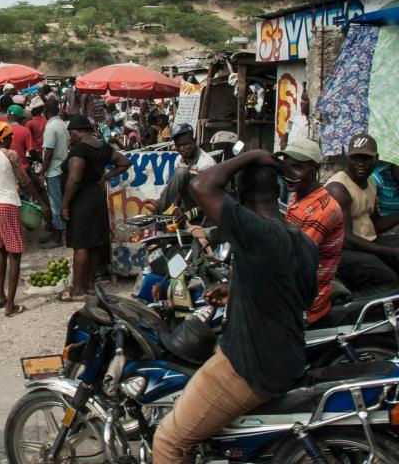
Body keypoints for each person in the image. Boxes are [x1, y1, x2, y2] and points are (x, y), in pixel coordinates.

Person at [153, 150, 318, 463]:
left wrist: (255, 154)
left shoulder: (255, 231)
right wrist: (239, 291)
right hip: (288, 358)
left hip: (249, 365)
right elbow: (299, 297)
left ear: (239, 196)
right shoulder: (301, 239)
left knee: (169, 441)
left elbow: (201, 186)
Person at [0, 122, 49, 317]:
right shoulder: (10, 155)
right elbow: (25, 181)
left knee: (0, 251)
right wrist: (42, 202)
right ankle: (11, 305)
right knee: (15, 255)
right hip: (8, 206)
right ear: (7, 138)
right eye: (10, 137)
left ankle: (0, 296)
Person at [61, 115, 132, 300]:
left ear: (77, 131)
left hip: (82, 200)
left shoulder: (79, 150)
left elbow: (75, 178)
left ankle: (78, 290)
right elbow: (125, 162)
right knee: (94, 244)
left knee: (81, 245)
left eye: (71, 133)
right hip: (98, 198)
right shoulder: (103, 147)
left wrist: (65, 205)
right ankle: (91, 287)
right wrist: (105, 177)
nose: (70, 137)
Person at [276, 138, 344, 324]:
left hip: (307, 300)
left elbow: (293, 259)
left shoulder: (323, 210)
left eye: (296, 167)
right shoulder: (297, 196)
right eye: (286, 167)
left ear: (315, 169)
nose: (288, 174)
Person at [325, 134, 399, 290]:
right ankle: (353, 311)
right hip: (344, 251)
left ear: (376, 159)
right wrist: (390, 251)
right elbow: (346, 239)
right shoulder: (338, 188)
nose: (361, 164)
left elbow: (376, 224)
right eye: (355, 158)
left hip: (367, 242)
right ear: (347, 157)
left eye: (366, 159)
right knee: (389, 282)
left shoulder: (370, 182)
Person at [155, 123, 216, 214]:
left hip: (205, 208)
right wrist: (175, 206)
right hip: (187, 205)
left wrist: (190, 214)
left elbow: (212, 199)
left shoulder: (206, 163)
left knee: (181, 172)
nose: (182, 148)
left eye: (185, 144)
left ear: (194, 141)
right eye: (178, 145)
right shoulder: (179, 160)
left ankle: (158, 207)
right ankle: (159, 207)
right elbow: (178, 188)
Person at [39, 99, 69, 248]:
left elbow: (48, 151)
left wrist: (42, 172)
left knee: (56, 204)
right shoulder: (62, 124)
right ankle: (56, 233)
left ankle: (58, 238)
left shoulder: (51, 127)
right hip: (62, 167)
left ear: (46, 111)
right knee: (59, 202)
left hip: (54, 170)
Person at [0, 104, 32, 170]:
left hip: (1, 169)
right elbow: (31, 151)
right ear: (20, 117)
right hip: (21, 169)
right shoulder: (24, 130)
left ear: (8, 115)